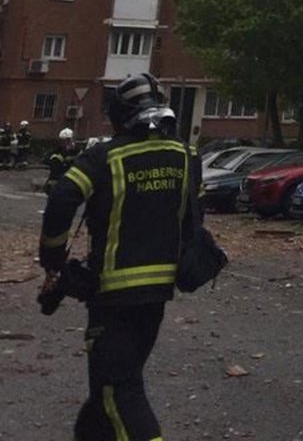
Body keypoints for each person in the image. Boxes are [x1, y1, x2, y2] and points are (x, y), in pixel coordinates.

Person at [39, 72, 196, 441]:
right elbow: (190, 217)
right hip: (158, 292)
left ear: (118, 116)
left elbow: (61, 199)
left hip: (113, 295)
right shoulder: (186, 155)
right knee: (107, 393)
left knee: (118, 390)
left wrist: (53, 261)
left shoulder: (104, 157)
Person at [44, 127, 77, 192]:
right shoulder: (57, 152)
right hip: (58, 181)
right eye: (62, 140)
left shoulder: (76, 151)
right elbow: (46, 160)